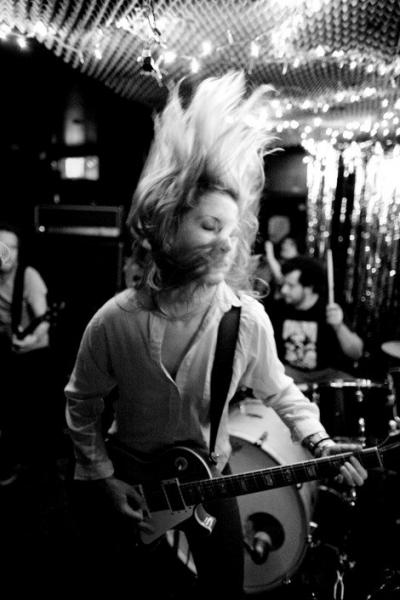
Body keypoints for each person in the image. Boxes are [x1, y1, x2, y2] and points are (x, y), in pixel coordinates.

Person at [64, 72, 367, 599]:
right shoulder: (114, 321)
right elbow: (81, 403)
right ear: (166, 223)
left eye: (231, 229)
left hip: (210, 479)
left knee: (226, 587)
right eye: (209, 226)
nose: (227, 243)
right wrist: (103, 476)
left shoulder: (245, 320)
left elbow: (281, 391)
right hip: (131, 482)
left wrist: (320, 442)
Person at [0, 223, 60, 485]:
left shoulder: (28, 277)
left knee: (31, 415)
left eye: (11, 247)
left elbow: (44, 320)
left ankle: (37, 471)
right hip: (7, 352)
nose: (5, 253)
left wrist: (29, 340)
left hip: (34, 354)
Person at [268, 255, 364, 381]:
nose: (284, 290)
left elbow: (357, 353)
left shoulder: (329, 308)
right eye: (284, 284)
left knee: (348, 383)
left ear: (309, 288)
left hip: (326, 374)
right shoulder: (279, 308)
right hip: (291, 373)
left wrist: (339, 326)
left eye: (291, 285)